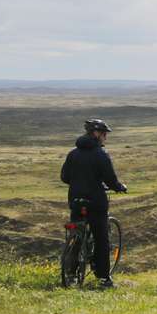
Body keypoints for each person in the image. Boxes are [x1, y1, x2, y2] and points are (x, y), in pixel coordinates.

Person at [61, 118, 127, 287]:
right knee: (102, 239)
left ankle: (70, 274)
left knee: (76, 232)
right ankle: (104, 278)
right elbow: (110, 179)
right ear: (96, 134)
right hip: (95, 202)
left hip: (75, 200)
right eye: (104, 134)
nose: (105, 137)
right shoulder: (101, 154)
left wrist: (79, 182)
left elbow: (64, 177)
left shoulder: (73, 153)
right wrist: (119, 187)